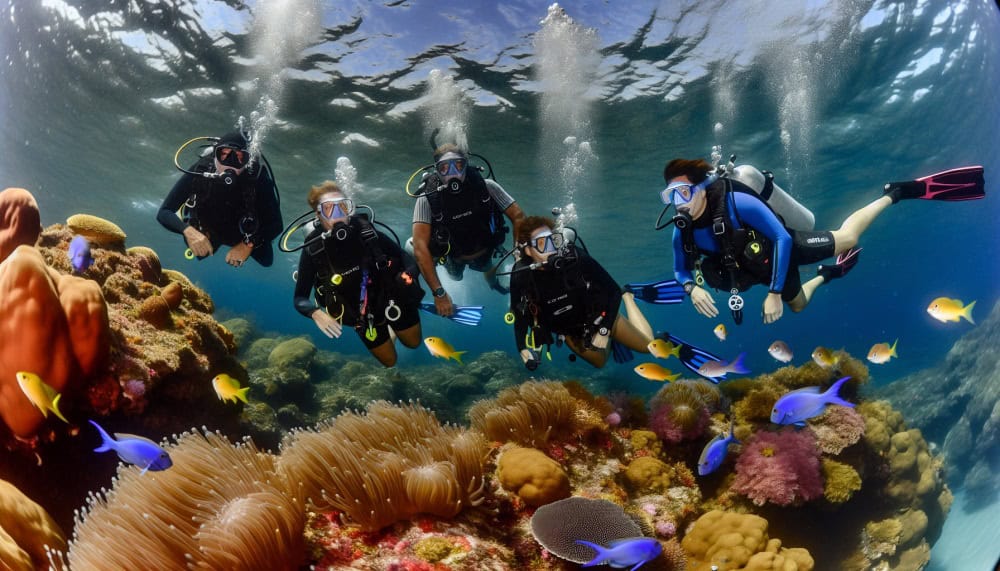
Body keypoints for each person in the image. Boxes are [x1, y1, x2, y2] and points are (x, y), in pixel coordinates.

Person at [661, 158, 985, 324]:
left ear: (702, 187)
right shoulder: (682, 230)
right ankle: (827, 274)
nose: (680, 203)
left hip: (780, 251)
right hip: (750, 270)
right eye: (671, 196)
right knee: (799, 307)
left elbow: (780, 237)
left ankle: (898, 193)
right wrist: (692, 288)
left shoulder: (736, 203)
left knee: (848, 238)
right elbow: (680, 270)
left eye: (685, 192)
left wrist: (774, 293)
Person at [293, 181, 425, 367]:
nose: (338, 214)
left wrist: (409, 275)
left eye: (342, 207)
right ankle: (388, 329)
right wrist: (315, 313)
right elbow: (299, 298)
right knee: (389, 362)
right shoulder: (313, 247)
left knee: (414, 343)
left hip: (393, 299)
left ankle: (393, 324)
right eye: (329, 208)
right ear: (318, 214)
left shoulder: (365, 229)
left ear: (349, 208)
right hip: (360, 315)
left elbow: (403, 256)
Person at [508, 215, 655, 369]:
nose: (551, 249)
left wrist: (604, 329)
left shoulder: (574, 256)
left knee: (648, 347)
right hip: (569, 330)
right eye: (542, 243)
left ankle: (629, 297)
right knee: (600, 362)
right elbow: (520, 316)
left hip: (600, 314)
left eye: (554, 241)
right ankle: (612, 339)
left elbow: (613, 291)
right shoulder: (520, 276)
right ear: (528, 251)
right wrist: (522, 350)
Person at [410, 143, 524, 317]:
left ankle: (494, 284)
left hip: (485, 251)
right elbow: (419, 247)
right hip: (453, 257)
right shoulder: (427, 199)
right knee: (454, 275)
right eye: (445, 168)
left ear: (466, 165)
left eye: (458, 165)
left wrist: (519, 255)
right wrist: (439, 293)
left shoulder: (487, 186)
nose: (453, 173)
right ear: (437, 171)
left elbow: (518, 216)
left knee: (487, 268)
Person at [157, 130, 283, 268]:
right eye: (224, 154)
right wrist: (187, 231)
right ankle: (203, 236)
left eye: (240, 157)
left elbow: (276, 225)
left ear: (248, 160)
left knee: (266, 261)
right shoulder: (201, 170)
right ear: (215, 154)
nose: (230, 163)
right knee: (200, 252)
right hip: (209, 230)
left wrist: (249, 244)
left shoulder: (258, 179)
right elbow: (164, 212)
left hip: (243, 234)